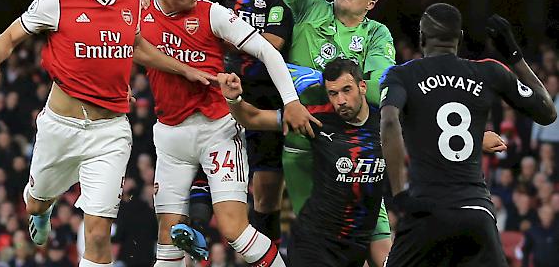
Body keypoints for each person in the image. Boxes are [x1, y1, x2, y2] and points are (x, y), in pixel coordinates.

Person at [0, 0, 215, 267]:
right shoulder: (57, 1)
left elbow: (135, 47)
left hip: (110, 131)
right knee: (36, 203)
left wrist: (183, 69)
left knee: (99, 232)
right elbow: (8, 37)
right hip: (60, 128)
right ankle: (41, 208)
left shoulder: (131, 1)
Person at [216, 58, 507, 267]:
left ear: (362, 86)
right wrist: (234, 101)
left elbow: (436, 129)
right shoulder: (316, 118)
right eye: (333, 93)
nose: (340, 100)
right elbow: (253, 118)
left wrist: (478, 138)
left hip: (357, 245)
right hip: (316, 243)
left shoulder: (389, 123)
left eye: (346, 90)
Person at [140, 0, 314, 267]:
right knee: (167, 241)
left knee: (236, 231)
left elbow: (266, 51)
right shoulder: (140, 16)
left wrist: (291, 101)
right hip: (170, 139)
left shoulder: (212, 13)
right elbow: (120, 49)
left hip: (217, 131)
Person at [254, 0, 395, 266]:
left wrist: (311, 79)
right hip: (306, 139)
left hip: (358, 144)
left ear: (372, 1)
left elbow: (380, 83)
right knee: (320, 234)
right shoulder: (311, 6)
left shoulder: (377, 35)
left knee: (380, 244)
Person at [380, 3, 557, 267]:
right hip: (476, 213)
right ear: (460, 38)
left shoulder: (403, 75)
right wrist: (513, 52)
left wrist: (398, 194)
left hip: (426, 211)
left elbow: (390, 123)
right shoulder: (488, 71)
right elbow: (548, 112)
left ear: (422, 37)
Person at [197, 0, 296, 244]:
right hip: (222, 94)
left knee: (266, 195)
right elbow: (194, 21)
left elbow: (276, 42)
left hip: (266, 95)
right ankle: (195, 229)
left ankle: (268, 253)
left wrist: (226, 35)